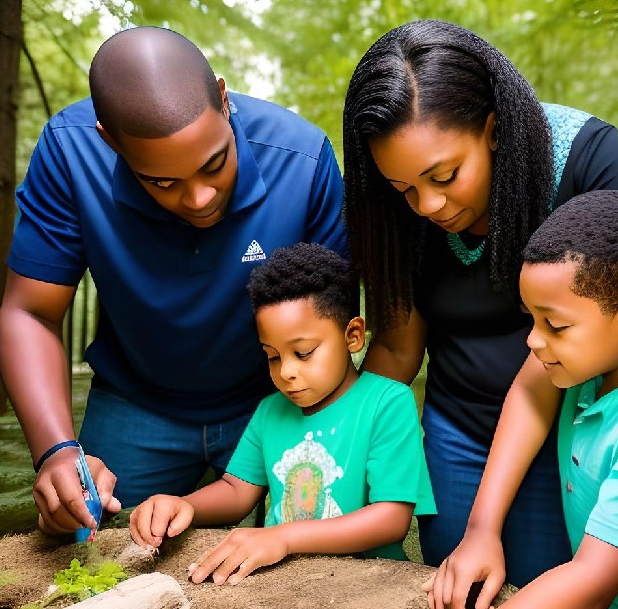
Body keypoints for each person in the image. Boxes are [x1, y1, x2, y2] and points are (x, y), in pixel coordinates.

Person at [247, 190, 618, 609]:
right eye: (530, 319)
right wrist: (482, 530)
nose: (533, 341)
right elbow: (528, 396)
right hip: (598, 607)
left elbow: (589, 588)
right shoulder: (597, 350)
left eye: (553, 325)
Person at [0, 27, 347, 536]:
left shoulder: (303, 159)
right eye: (163, 181)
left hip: (276, 402)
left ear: (224, 101)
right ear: (108, 140)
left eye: (214, 164)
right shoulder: (70, 153)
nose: (200, 198)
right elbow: (30, 311)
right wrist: (57, 452)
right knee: (94, 554)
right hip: (135, 401)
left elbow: (334, 331)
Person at [342, 19, 618, 585]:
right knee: (453, 595)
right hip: (455, 430)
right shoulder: (401, 206)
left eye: (445, 175)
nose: (428, 206)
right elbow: (397, 344)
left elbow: (560, 363)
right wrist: (343, 440)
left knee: (546, 602)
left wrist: (485, 526)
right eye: (404, 188)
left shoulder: (591, 164)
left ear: (492, 127)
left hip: (572, 430)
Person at [130, 243, 436, 581]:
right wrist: (185, 505)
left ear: (353, 336)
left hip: (367, 584)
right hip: (283, 582)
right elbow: (236, 491)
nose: (286, 372)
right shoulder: (270, 410)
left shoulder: (387, 402)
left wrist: (282, 537)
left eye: (303, 353)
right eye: (273, 356)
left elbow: (391, 519)